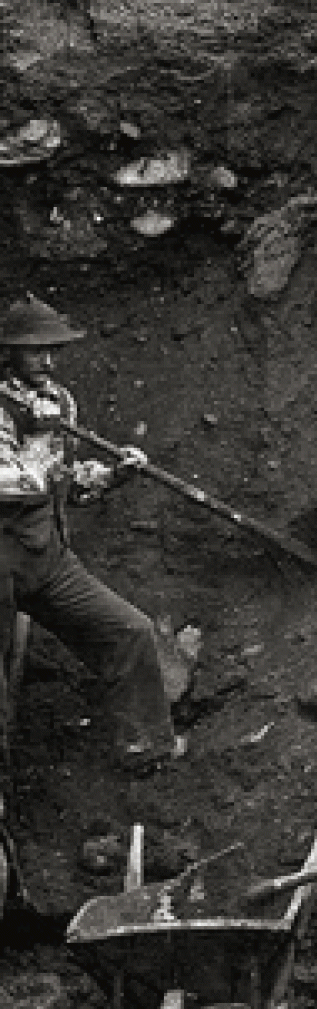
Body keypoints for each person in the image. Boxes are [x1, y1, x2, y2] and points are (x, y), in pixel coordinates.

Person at [0, 296, 181, 777]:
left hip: (47, 558)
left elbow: (67, 483)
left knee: (129, 632)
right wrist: (39, 442)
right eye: (35, 351)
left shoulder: (58, 401)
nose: (47, 360)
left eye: (52, 350)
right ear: (9, 352)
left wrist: (112, 475)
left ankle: (149, 752)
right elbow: (13, 482)